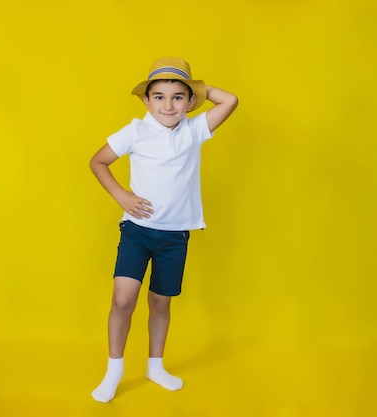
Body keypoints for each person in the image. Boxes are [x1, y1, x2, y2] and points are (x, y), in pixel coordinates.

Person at [89, 56, 238, 403]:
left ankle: (155, 365)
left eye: (177, 97)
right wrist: (122, 195)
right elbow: (98, 161)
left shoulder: (195, 129)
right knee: (123, 299)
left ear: (189, 102)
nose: (167, 104)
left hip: (175, 237)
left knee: (160, 303)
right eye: (158, 96)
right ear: (146, 101)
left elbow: (229, 100)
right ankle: (114, 369)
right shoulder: (135, 131)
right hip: (137, 231)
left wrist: (199, 90)